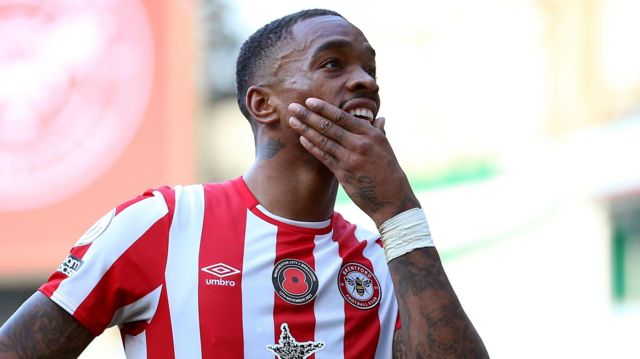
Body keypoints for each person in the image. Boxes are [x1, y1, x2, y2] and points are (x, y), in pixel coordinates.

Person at [0, 8, 489, 359]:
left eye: (370, 68)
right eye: (333, 63)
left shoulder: (384, 255)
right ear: (263, 105)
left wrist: (398, 212)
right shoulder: (161, 224)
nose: (365, 82)